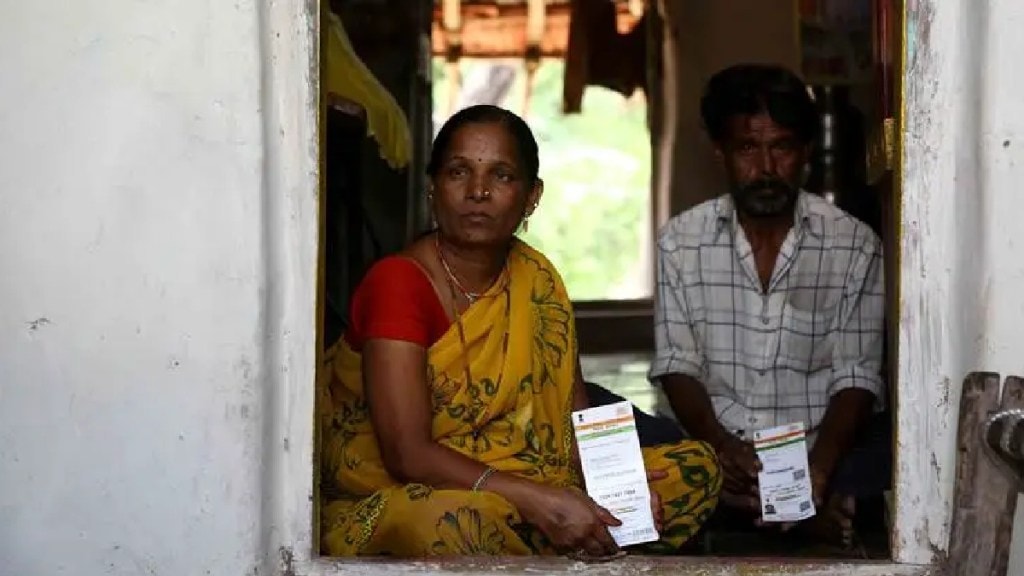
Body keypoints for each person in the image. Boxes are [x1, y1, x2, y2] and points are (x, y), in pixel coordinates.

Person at [318, 104, 721, 557]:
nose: (478, 191)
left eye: (502, 175)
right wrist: (535, 500)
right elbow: (406, 455)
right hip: (423, 488)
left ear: (532, 196)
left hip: (529, 474)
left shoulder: (538, 279)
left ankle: (573, 530)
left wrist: (616, 488)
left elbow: (573, 425)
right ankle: (562, 535)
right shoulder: (400, 283)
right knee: (451, 525)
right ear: (432, 187)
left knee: (694, 469)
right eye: (458, 172)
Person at [648, 64, 888, 544]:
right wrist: (719, 447)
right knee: (618, 428)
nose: (764, 168)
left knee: (904, 446)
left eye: (780, 148)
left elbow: (856, 374)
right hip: (716, 444)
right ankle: (755, 502)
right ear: (720, 151)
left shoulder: (853, 244)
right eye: (747, 149)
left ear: (803, 153)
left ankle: (794, 501)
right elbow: (677, 363)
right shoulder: (681, 241)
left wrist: (818, 469)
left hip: (816, 445)